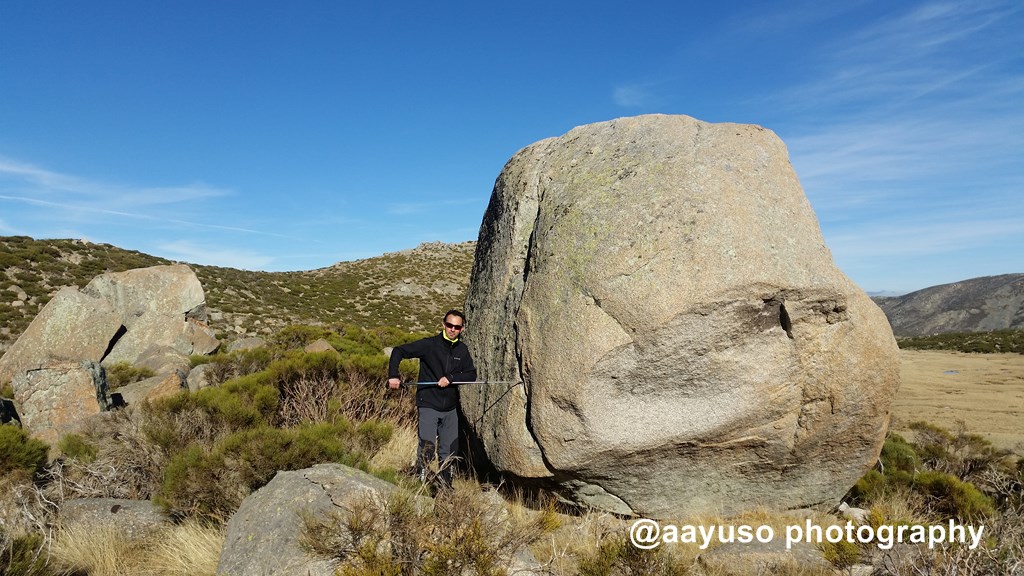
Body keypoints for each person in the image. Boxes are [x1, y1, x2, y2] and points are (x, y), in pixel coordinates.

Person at [387, 309, 476, 489]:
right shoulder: (430, 345)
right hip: (428, 403)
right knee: (427, 447)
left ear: (462, 329)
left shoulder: (462, 350)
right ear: (443, 324)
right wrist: (393, 376)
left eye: (457, 327)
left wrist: (451, 378)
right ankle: (419, 486)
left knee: (450, 450)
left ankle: (445, 488)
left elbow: (471, 374)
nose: (452, 329)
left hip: (450, 408)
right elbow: (398, 351)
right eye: (449, 325)